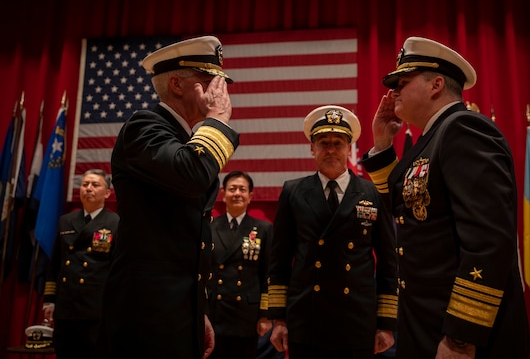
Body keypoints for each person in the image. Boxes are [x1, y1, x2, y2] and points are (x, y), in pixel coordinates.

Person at [361, 36, 530, 358]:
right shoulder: (435, 137)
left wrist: (461, 336)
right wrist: (383, 145)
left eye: (403, 81)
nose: (394, 91)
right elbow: (403, 209)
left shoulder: (464, 129)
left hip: (460, 331)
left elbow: (489, 242)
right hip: (426, 320)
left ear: (436, 84)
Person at [99, 35, 239, 359]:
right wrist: (218, 121)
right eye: (208, 81)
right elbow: (191, 174)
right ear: (176, 84)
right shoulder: (144, 126)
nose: (219, 92)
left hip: (178, 308)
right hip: (145, 312)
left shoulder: (186, 139)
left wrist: (197, 310)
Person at [267, 105, 399, 359]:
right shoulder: (293, 191)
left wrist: (385, 322)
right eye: (323, 142)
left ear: (349, 148)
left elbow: (388, 264)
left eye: (338, 143)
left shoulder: (372, 193)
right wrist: (279, 319)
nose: (330, 149)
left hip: (357, 320)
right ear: (311, 148)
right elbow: (279, 262)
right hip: (306, 319)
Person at [42, 169, 119, 359]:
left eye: (95, 185)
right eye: (85, 185)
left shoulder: (115, 223)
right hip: (66, 307)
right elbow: (55, 264)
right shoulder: (66, 221)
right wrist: (50, 300)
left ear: (107, 193)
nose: (89, 189)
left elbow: (119, 269)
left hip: (96, 309)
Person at [207, 170, 280, 359]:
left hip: (246, 315)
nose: (237, 193)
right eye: (232, 189)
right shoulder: (210, 227)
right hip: (215, 311)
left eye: (242, 189)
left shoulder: (263, 229)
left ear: (250, 196)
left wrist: (265, 314)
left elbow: (269, 274)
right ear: (223, 195)